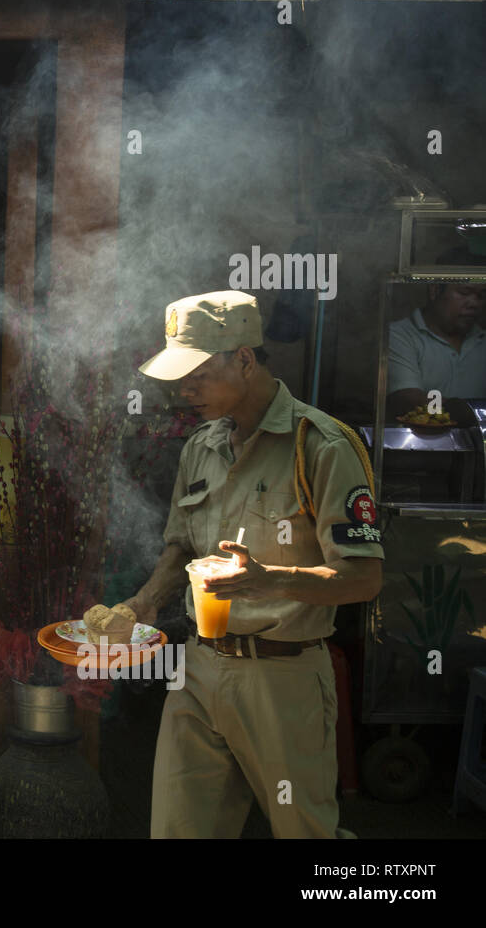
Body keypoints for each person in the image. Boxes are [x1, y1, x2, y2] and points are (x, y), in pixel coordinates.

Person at [125, 290, 383, 838]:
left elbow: (365, 578)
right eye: (178, 375)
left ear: (244, 357)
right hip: (197, 670)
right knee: (177, 831)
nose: (183, 389)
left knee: (304, 833)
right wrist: (143, 601)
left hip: (282, 674)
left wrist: (267, 579)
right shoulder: (201, 445)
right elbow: (182, 549)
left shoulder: (321, 446)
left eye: (197, 372)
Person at [387, 246, 486, 425]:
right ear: (434, 290)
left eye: (481, 295)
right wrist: (471, 410)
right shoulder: (400, 335)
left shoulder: (483, 340)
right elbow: (409, 399)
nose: (474, 303)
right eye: (464, 293)